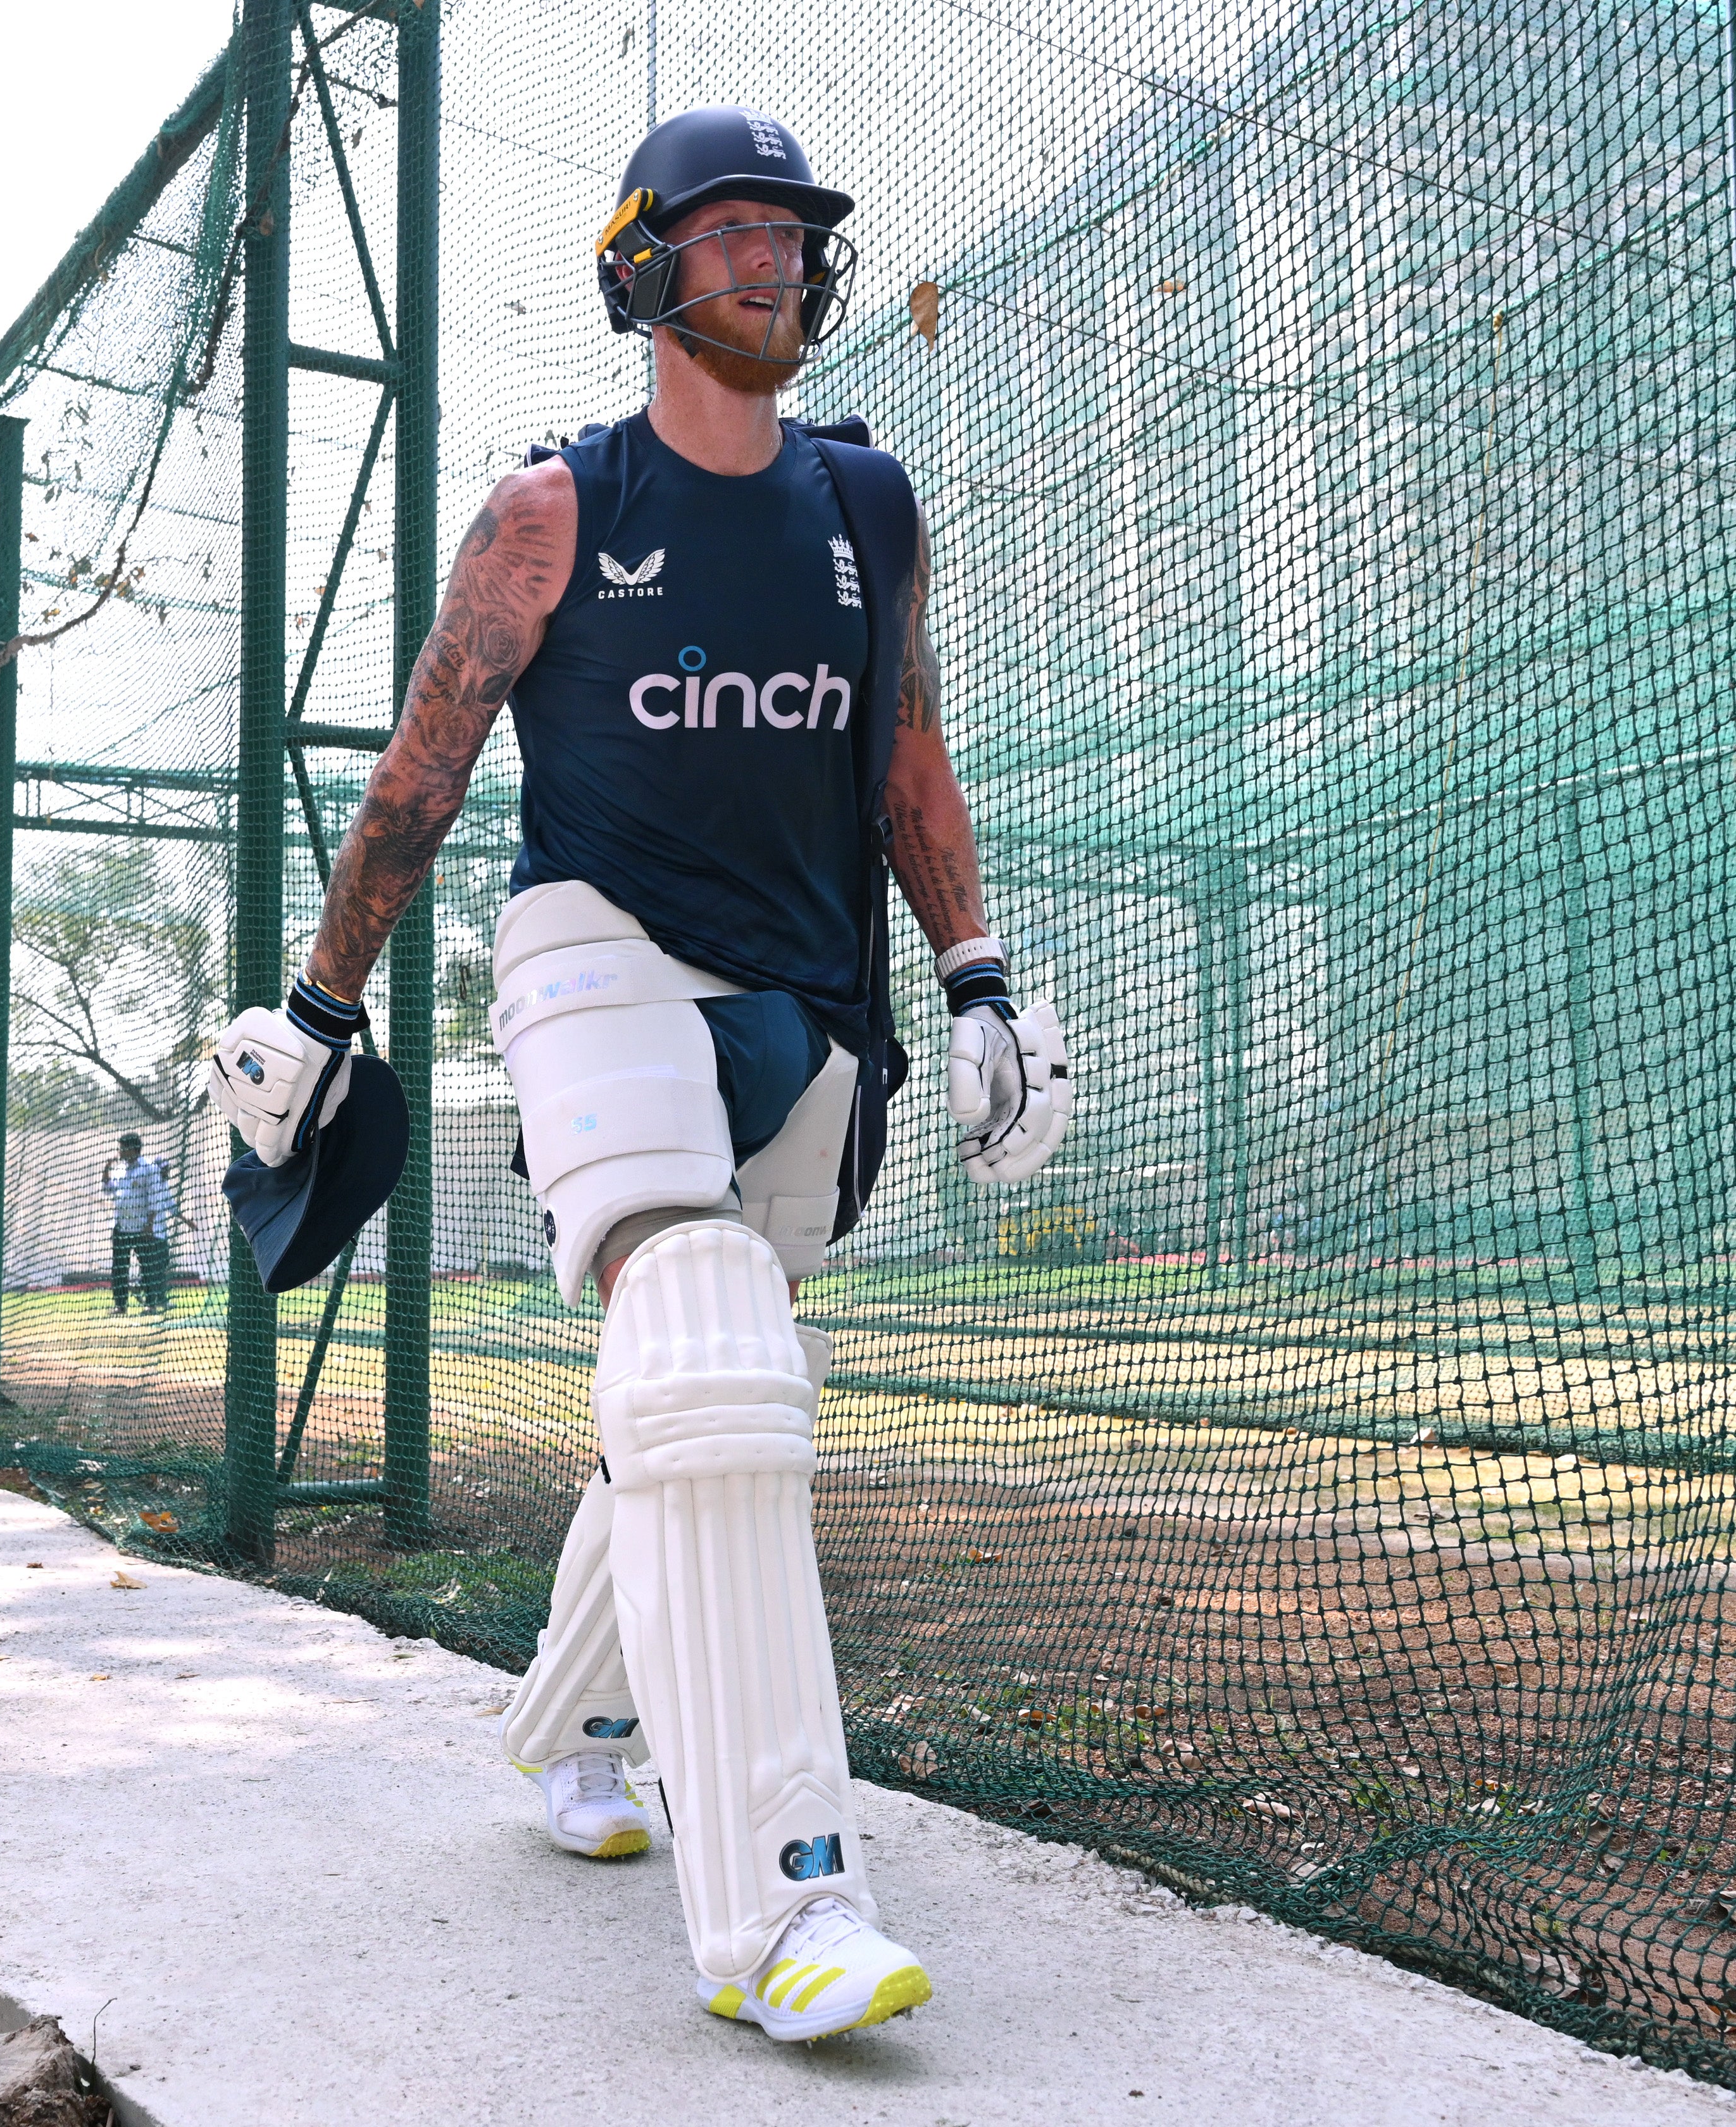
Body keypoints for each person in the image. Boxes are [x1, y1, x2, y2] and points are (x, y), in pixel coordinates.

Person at [208, 107, 1071, 2043]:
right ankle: (790, 1911)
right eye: (731, 231)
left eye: (790, 232)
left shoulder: (872, 509)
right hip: (591, 952)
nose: (771, 260)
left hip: (807, 990)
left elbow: (907, 755)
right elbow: (427, 771)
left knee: (706, 1396)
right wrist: (320, 1003)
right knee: (695, 1325)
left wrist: (980, 979)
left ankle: (571, 1729)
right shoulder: (551, 511)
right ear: (645, 270)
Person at [99, 1131, 177, 1312]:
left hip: (143, 1228)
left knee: (147, 1267)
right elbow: (108, 1190)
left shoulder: (149, 1168)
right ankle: (120, 1306)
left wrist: (150, 1225)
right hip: (121, 1227)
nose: (119, 1152)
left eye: (122, 1148)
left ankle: (151, 1305)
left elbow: (155, 1198)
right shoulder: (119, 1169)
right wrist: (106, 1170)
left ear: (133, 1149)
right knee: (120, 1268)